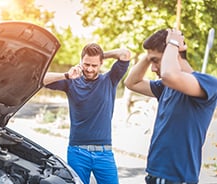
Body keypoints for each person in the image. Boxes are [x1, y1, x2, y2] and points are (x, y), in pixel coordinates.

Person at [124, 28, 217, 184]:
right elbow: (131, 82)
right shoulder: (165, 87)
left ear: (176, 53)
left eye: (156, 61)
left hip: (176, 179)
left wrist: (172, 43)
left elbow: (170, 75)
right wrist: (148, 56)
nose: (152, 68)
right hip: (154, 174)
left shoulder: (208, 84)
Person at [43, 43, 131, 184]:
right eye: (86, 64)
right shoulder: (71, 82)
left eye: (94, 65)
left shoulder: (110, 80)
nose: (90, 69)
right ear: (81, 62)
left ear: (101, 63)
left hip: (104, 153)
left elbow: (125, 54)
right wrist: (66, 75)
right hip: (77, 152)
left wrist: (102, 54)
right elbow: (40, 78)